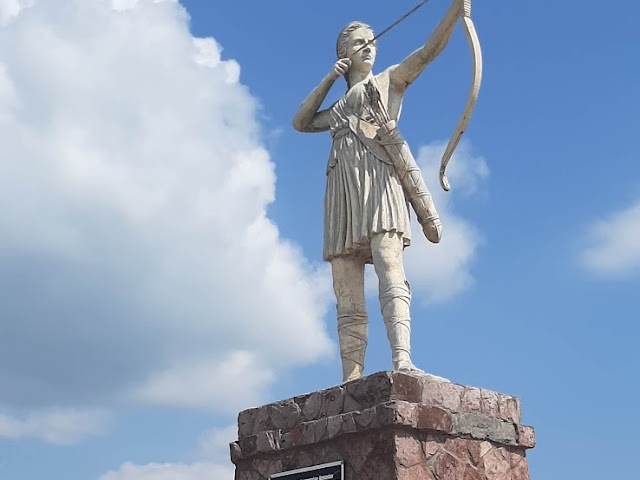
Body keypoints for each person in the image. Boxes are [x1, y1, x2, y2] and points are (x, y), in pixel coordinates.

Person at [292, 0, 463, 383]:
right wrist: (330, 78)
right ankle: (351, 377)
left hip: (379, 183)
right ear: (344, 53)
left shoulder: (387, 82)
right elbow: (301, 122)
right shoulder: (337, 108)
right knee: (346, 287)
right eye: (359, 43)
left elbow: (427, 52)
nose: (369, 46)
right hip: (342, 193)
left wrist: (455, 11)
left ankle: (403, 359)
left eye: (372, 41)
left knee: (390, 267)